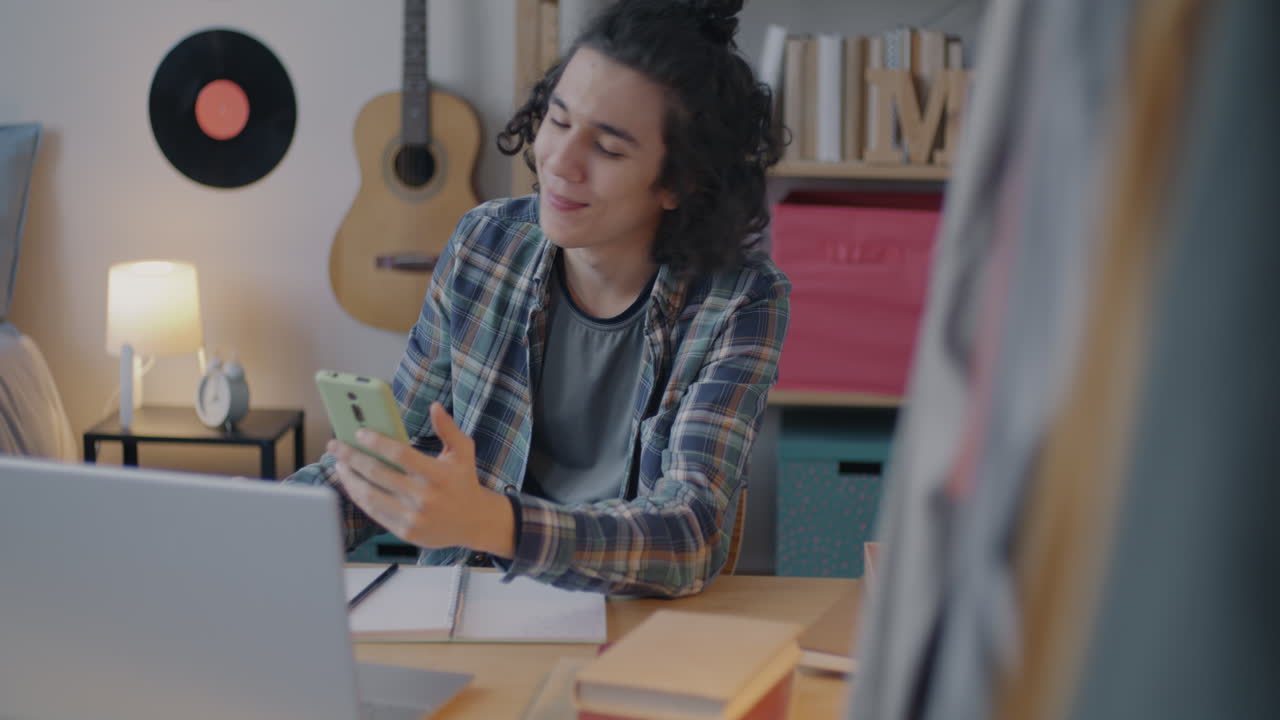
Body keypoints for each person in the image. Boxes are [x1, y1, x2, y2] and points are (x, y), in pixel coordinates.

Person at [288, 0, 788, 598]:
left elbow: (687, 534)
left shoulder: (740, 302)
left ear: (680, 180)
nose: (560, 162)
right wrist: (252, 524)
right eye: (558, 119)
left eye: (607, 148)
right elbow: (406, 450)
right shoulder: (484, 242)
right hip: (465, 608)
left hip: (631, 630)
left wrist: (491, 523)